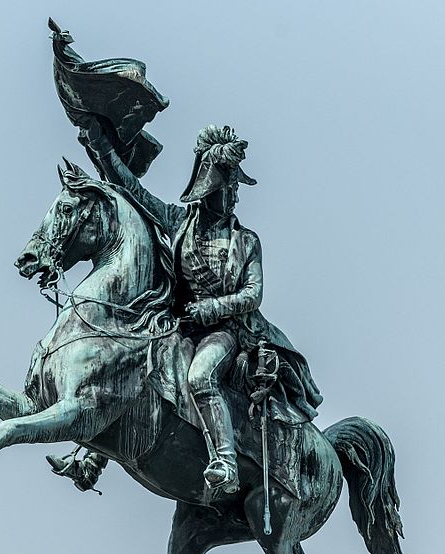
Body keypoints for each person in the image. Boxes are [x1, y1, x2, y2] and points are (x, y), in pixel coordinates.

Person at [67, 121, 322, 493]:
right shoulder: (179, 221)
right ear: (212, 186)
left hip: (226, 333)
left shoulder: (245, 242)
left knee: (200, 376)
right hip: (177, 325)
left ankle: (225, 459)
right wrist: (100, 145)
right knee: (124, 359)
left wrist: (211, 309)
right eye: (230, 184)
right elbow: (133, 190)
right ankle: (92, 457)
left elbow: (253, 294)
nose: (234, 194)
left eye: (235, 185)